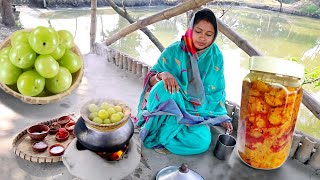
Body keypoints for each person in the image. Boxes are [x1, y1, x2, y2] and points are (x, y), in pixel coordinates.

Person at [136, 8, 233, 155]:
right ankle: (167, 129)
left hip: (193, 111)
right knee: (163, 87)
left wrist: (220, 115)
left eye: (208, 34)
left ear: (214, 36)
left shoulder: (216, 56)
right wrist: (163, 75)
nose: (202, 38)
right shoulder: (174, 50)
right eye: (198, 31)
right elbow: (150, 82)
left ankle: (160, 133)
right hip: (169, 104)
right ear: (191, 29)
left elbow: (217, 89)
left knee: (201, 142)